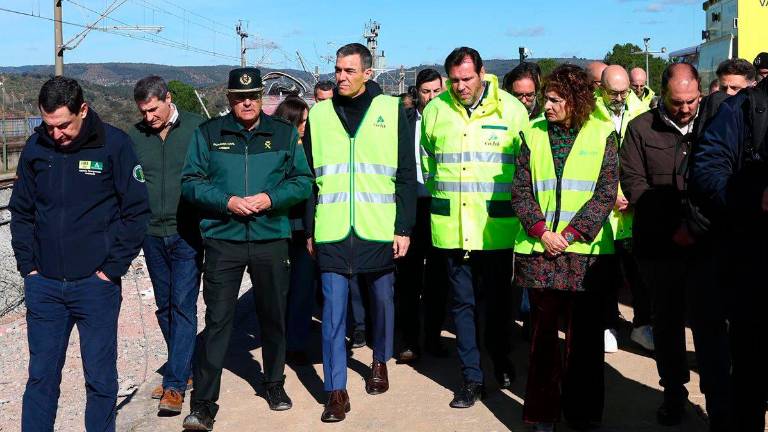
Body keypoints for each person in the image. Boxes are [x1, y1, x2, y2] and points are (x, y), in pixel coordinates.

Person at [10, 76, 150, 431]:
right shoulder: (36, 147)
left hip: (95, 286)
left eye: (63, 125)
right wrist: (29, 267)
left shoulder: (114, 145)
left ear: (83, 110)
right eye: (48, 125)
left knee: (101, 380)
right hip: (45, 288)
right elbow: (21, 211)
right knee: (41, 378)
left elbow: (135, 212)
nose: (55, 133)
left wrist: (110, 269)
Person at [180, 67, 313, 430]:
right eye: (239, 97)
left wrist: (270, 198)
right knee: (218, 320)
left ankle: (274, 384)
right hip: (224, 239)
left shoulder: (284, 134)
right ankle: (205, 404)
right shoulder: (208, 134)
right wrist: (227, 201)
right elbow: (190, 183)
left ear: (261, 97)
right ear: (229, 99)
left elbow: (303, 182)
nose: (247, 102)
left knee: (273, 316)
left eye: (253, 96)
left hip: (271, 237)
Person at [303, 43, 416, 423]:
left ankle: (380, 360)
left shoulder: (390, 110)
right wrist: (309, 228)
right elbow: (309, 179)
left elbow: (404, 172)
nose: (341, 77)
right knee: (333, 311)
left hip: (378, 225)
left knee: (382, 302)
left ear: (368, 73)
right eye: (337, 70)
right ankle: (336, 391)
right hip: (332, 228)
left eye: (349, 70)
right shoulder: (318, 115)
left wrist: (404, 228)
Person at [621, 63, 733, 429]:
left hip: (706, 245)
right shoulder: (640, 129)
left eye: (691, 101)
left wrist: (697, 227)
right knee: (666, 326)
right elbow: (635, 183)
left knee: (710, 328)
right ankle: (673, 394)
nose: (685, 108)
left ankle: (719, 404)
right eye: (676, 101)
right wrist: (673, 227)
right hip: (659, 247)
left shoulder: (716, 125)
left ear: (700, 92)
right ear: (662, 93)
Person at [511, 64, 618, 432]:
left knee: (584, 345)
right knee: (542, 343)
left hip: (585, 257)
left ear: (576, 100)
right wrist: (542, 232)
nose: (548, 106)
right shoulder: (532, 133)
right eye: (546, 99)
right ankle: (542, 414)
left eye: (555, 100)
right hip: (541, 255)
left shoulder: (603, 134)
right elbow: (520, 190)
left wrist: (570, 234)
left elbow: (605, 194)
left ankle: (583, 416)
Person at [421, 47, 529, 407]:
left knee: (498, 305)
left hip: (495, 228)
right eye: (453, 80)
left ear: (482, 73)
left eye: (467, 79)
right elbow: (429, 165)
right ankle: (471, 378)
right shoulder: (435, 111)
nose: (460, 86)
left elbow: (526, 168)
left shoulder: (511, 110)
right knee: (463, 305)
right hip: (452, 228)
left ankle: (500, 358)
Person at [691, 76, 768, 432]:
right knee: (749, 376)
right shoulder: (744, 109)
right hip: (753, 267)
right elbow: (707, 170)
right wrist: (754, 197)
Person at [128, 75, 205, 413]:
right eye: (144, 112)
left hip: (188, 232)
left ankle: (174, 385)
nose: (149, 118)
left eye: (154, 109)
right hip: (152, 234)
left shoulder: (197, 129)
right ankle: (184, 368)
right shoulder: (135, 136)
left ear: (168, 98)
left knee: (183, 305)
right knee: (164, 307)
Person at [594, 65, 653, 353]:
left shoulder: (642, 110)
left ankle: (643, 325)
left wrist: (635, 194)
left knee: (639, 274)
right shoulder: (588, 114)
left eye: (623, 91)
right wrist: (611, 195)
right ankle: (607, 324)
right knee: (605, 274)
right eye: (612, 92)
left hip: (633, 209)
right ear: (600, 88)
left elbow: (648, 157)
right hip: (603, 211)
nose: (618, 97)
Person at [396, 67, 449, 363]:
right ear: (417, 93)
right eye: (425, 91)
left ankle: (433, 338)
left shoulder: (451, 121)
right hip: (409, 205)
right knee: (408, 278)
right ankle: (409, 340)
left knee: (439, 279)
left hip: (440, 205)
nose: (430, 97)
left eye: (436, 91)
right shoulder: (403, 121)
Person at [273, 96, 316, 366]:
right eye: (301, 122)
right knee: (279, 289)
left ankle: (297, 343)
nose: (305, 127)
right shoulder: (275, 148)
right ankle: (279, 341)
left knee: (302, 288)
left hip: (304, 226)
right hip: (279, 226)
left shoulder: (310, 146)